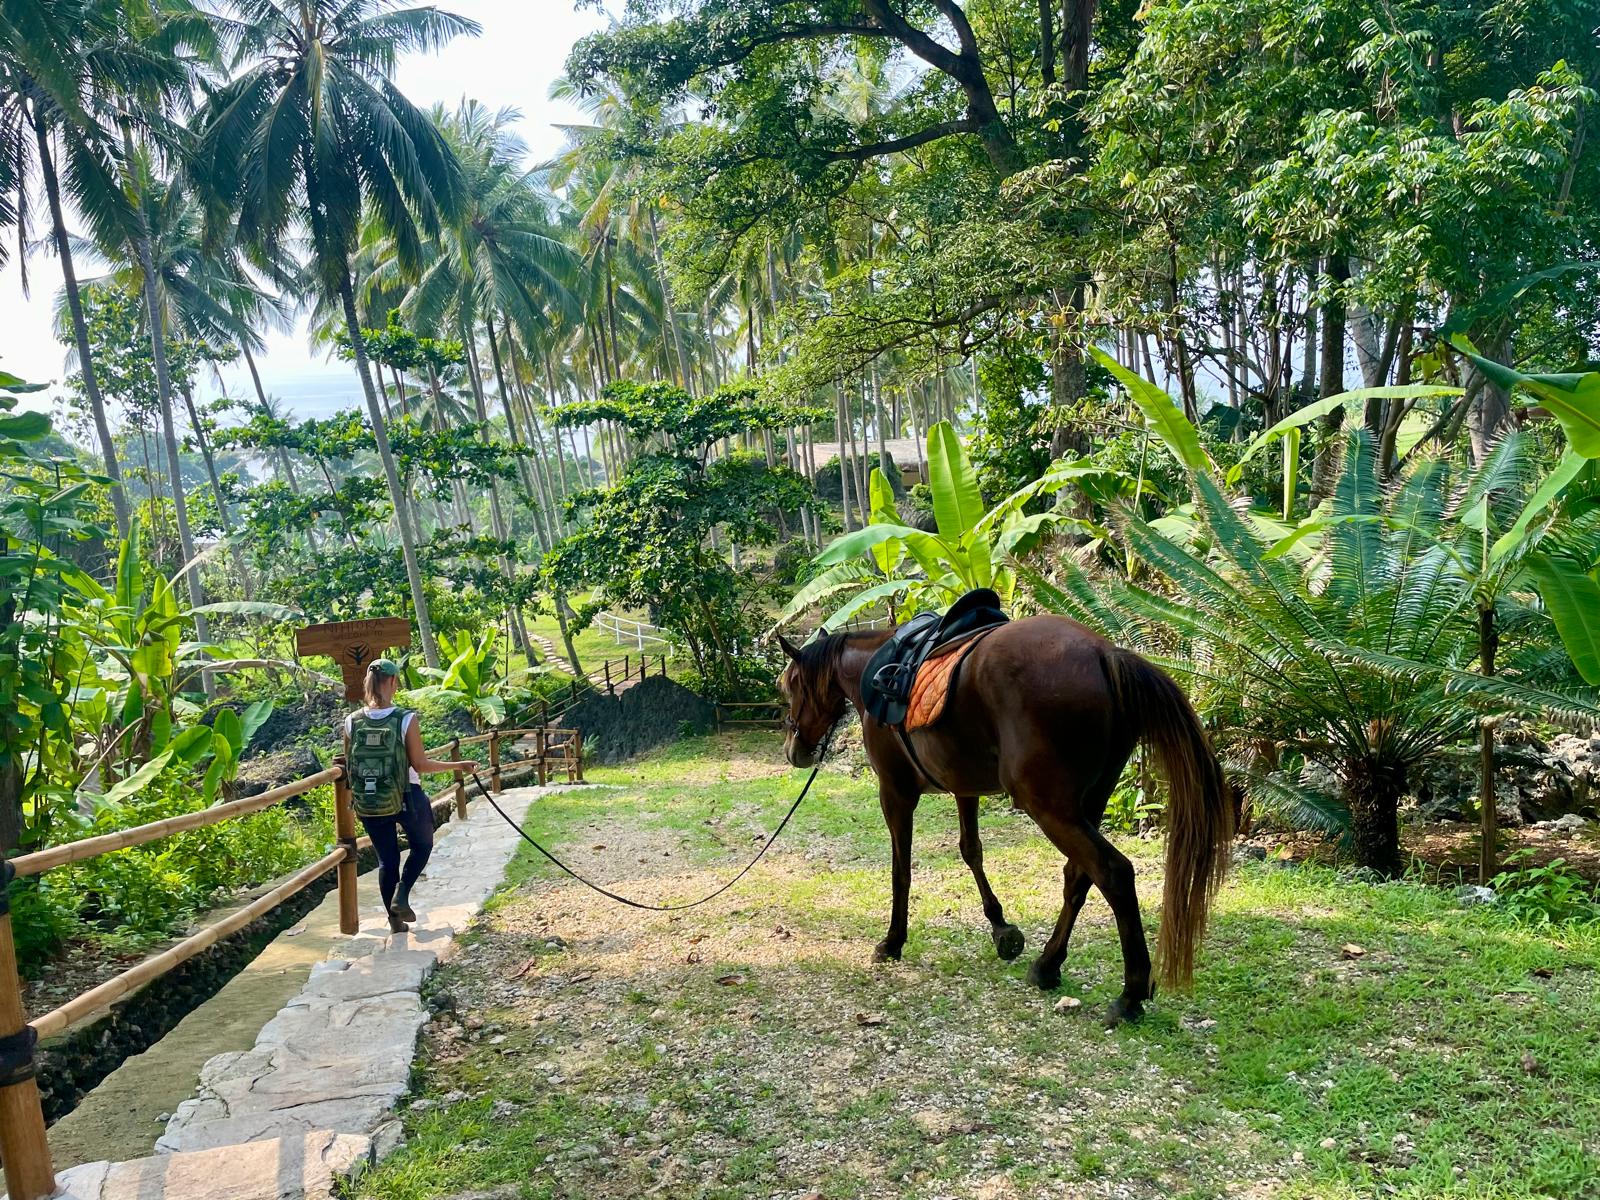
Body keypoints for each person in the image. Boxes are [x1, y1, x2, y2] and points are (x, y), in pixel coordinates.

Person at [343, 658, 475, 933]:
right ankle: (402, 895)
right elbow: (421, 765)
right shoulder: (405, 718)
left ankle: (395, 922)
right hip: (407, 795)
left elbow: (347, 763)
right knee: (423, 845)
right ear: (392, 682)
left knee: (386, 861)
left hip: (369, 800)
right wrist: (459, 765)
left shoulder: (352, 721)